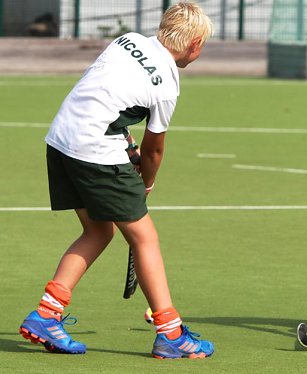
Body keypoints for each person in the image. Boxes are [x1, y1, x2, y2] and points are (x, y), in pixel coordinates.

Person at [19, 2, 215, 359]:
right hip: (94, 151)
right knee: (145, 237)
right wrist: (147, 184)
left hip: (61, 141)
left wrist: (128, 146)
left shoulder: (128, 40)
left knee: (98, 231)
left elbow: (104, 94)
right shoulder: (168, 84)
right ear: (196, 44)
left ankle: (47, 314)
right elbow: (155, 150)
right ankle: (170, 333)